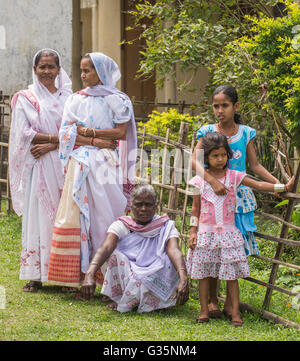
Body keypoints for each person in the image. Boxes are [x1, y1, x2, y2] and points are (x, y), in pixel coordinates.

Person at [47, 52, 137, 289]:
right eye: (82, 70)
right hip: (81, 163)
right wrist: (94, 139)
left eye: (88, 70)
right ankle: (76, 276)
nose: (84, 75)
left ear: (102, 72)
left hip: (105, 165)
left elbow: (119, 133)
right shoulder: (76, 99)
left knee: (104, 215)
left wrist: (86, 132)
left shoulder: (117, 100)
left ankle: (108, 277)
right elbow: (66, 133)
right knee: (78, 216)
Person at [192, 84, 282, 318]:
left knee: (232, 249)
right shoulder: (207, 131)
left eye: (225, 105)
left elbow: (255, 166)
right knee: (211, 246)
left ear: (235, 106)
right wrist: (212, 182)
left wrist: (278, 185)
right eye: (216, 106)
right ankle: (212, 299)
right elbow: (194, 162)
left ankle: (231, 304)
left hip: (238, 199)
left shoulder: (246, 133)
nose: (220, 110)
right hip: (212, 196)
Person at [188, 132, 294, 326]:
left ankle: (235, 313)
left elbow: (259, 184)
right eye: (215, 156)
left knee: (232, 276)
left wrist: (282, 187)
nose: (220, 159)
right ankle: (203, 311)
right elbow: (195, 209)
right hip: (205, 234)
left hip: (229, 234)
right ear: (206, 158)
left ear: (228, 154)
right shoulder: (198, 181)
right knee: (203, 274)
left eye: (223, 155)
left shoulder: (234, 176)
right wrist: (193, 231)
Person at [9, 48, 72, 292]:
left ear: (59, 69)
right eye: (42, 67)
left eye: (51, 66)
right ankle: (35, 275)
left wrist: (52, 144)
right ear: (35, 69)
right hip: (39, 167)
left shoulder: (69, 97)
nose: (47, 71)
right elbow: (24, 134)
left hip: (66, 165)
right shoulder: (26, 97)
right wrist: (55, 140)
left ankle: (64, 275)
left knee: (64, 217)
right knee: (39, 217)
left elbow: (77, 130)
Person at [77, 184, 189, 313]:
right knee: (115, 255)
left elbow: (174, 250)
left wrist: (183, 278)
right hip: (129, 272)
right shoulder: (121, 225)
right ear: (131, 206)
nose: (143, 209)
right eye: (138, 204)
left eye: (148, 204)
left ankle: (156, 303)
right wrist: (90, 274)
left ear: (156, 206)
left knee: (170, 260)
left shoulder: (165, 226)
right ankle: (122, 299)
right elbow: (106, 247)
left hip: (154, 271)